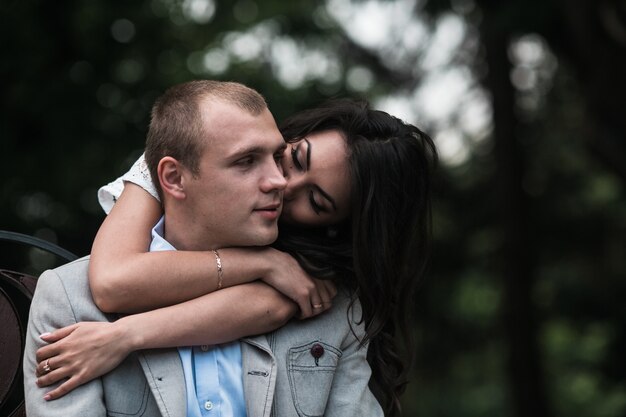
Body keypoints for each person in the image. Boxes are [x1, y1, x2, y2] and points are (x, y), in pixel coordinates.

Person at [30, 85, 437, 416]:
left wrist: (124, 337)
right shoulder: (186, 153)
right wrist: (260, 261)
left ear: (334, 227)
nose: (280, 182)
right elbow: (111, 283)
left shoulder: (321, 295)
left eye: (316, 202)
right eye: (292, 157)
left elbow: (267, 307)